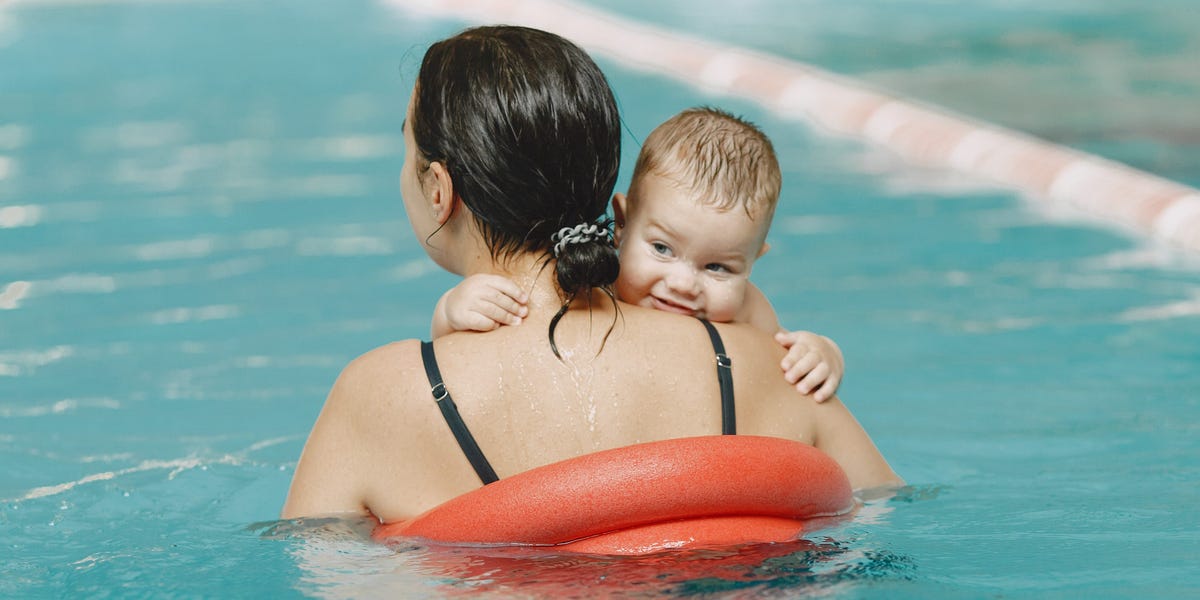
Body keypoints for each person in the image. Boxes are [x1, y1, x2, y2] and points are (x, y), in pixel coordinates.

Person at [281, 25, 901, 523]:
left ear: (440, 190)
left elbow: (314, 576)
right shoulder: (767, 362)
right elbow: (888, 509)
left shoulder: (380, 397)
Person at [433, 107, 846, 400]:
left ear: (754, 261)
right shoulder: (591, 287)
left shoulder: (749, 314)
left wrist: (822, 352)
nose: (684, 284)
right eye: (662, 248)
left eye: (717, 267)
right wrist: (454, 309)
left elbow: (782, 368)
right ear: (622, 223)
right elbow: (479, 358)